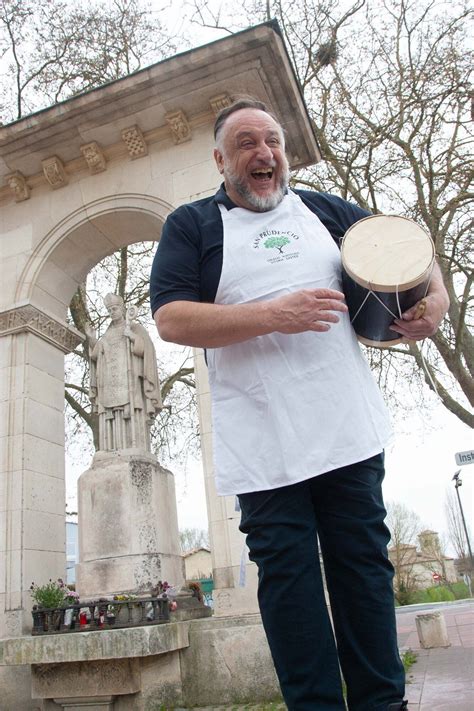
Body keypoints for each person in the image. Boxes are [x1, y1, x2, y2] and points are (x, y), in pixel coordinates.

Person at [149, 99, 449, 711]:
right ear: (221, 159)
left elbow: (406, 249)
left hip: (346, 429)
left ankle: (383, 703)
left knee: (363, 572)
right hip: (263, 445)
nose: (264, 154)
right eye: (247, 144)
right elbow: (171, 318)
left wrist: (435, 298)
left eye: (273, 141)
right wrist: (272, 315)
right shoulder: (192, 226)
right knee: (290, 588)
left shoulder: (324, 208)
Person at [88, 293, 162, 452]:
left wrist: (133, 337)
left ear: (122, 309)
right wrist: (93, 340)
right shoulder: (106, 334)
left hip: (130, 383)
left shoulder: (135, 328)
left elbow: (147, 351)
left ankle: (136, 447)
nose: (112, 312)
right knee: (111, 416)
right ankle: (111, 449)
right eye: (109, 310)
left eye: (114, 309)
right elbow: (97, 355)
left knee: (132, 412)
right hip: (110, 384)